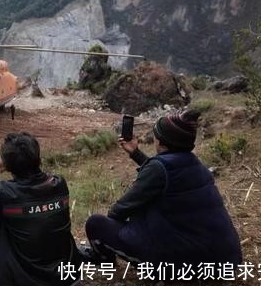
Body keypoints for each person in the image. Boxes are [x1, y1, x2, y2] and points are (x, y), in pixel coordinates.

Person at [85, 109, 242, 266]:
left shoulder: (158, 170)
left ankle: (104, 259)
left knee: (96, 223)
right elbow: (166, 172)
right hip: (225, 258)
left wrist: (118, 228)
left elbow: (120, 209)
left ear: (160, 141)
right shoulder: (196, 165)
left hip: (187, 262)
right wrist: (136, 153)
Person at [0, 132, 84, 286]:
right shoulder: (59, 183)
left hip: (27, 278)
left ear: (8, 166)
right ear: (38, 158)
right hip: (66, 273)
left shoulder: (6, 192)